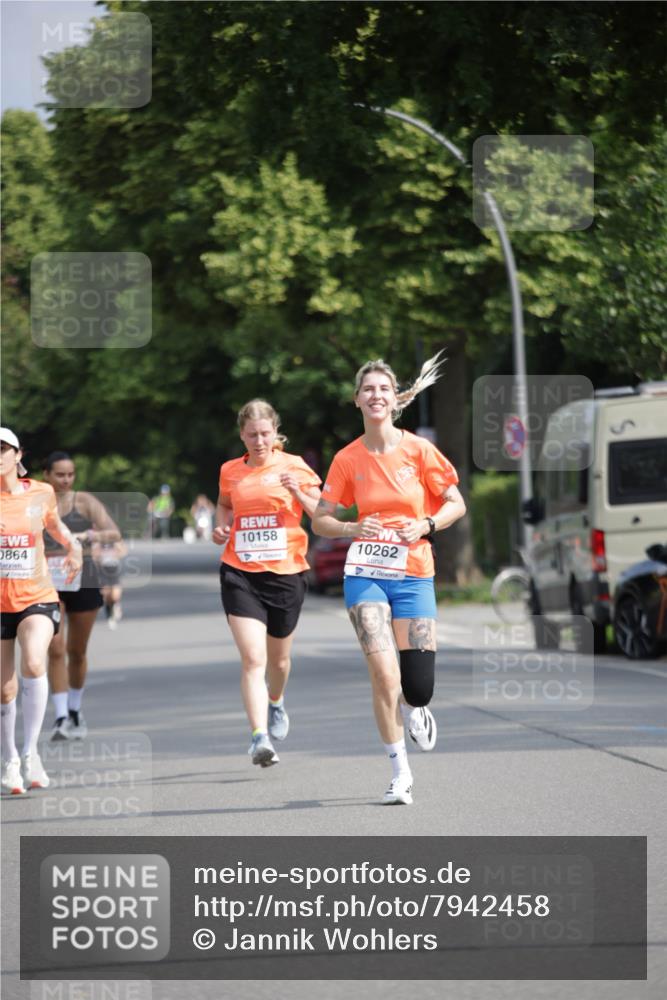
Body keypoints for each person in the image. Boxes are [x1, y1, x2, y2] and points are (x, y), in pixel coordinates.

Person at [312, 354, 466, 806]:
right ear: (356, 400)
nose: (375, 395)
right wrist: (349, 528)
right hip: (365, 573)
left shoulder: (419, 451)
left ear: (394, 398)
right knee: (383, 675)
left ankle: (418, 709)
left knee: (417, 686)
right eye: (367, 389)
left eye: (383, 388)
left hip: (415, 572)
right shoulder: (346, 459)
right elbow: (321, 520)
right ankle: (400, 773)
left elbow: (456, 503)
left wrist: (427, 525)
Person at [213, 400, 321, 767]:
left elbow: (321, 513)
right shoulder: (230, 470)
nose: (259, 441)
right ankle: (259, 737)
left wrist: (298, 491)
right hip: (239, 571)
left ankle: (276, 701)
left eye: (265, 434)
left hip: (286, 573)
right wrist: (220, 526)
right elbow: (225, 505)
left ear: (275, 432)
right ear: (241, 435)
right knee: (253, 658)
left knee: (279, 660)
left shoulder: (294, 466)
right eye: (251, 435)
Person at [1, 429, 82, 794]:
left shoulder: (41, 492)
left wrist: (73, 544)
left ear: (18, 454)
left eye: (3, 449)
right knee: (4, 689)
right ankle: (11, 759)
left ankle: (32, 752)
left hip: (36, 594)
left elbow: (54, 524)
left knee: (35, 661)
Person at [43, 452, 121, 740]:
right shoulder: (38, 502)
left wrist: (91, 537)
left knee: (77, 651)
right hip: (48, 579)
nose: (65, 480)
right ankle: (61, 715)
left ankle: (75, 709)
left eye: (70, 474)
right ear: (46, 475)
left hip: (84, 577)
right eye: (59, 474)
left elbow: (114, 533)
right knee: (55, 648)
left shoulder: (84, 501)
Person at [93, 537, 127, 629]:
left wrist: (117, 547)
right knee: (106, 595)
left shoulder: (115, 539)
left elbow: (123, 551)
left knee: (115, 595)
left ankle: (116, 605)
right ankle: (110, 615)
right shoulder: (98, 540)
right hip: (103, 571)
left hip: (114, 570)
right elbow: (93, 555)